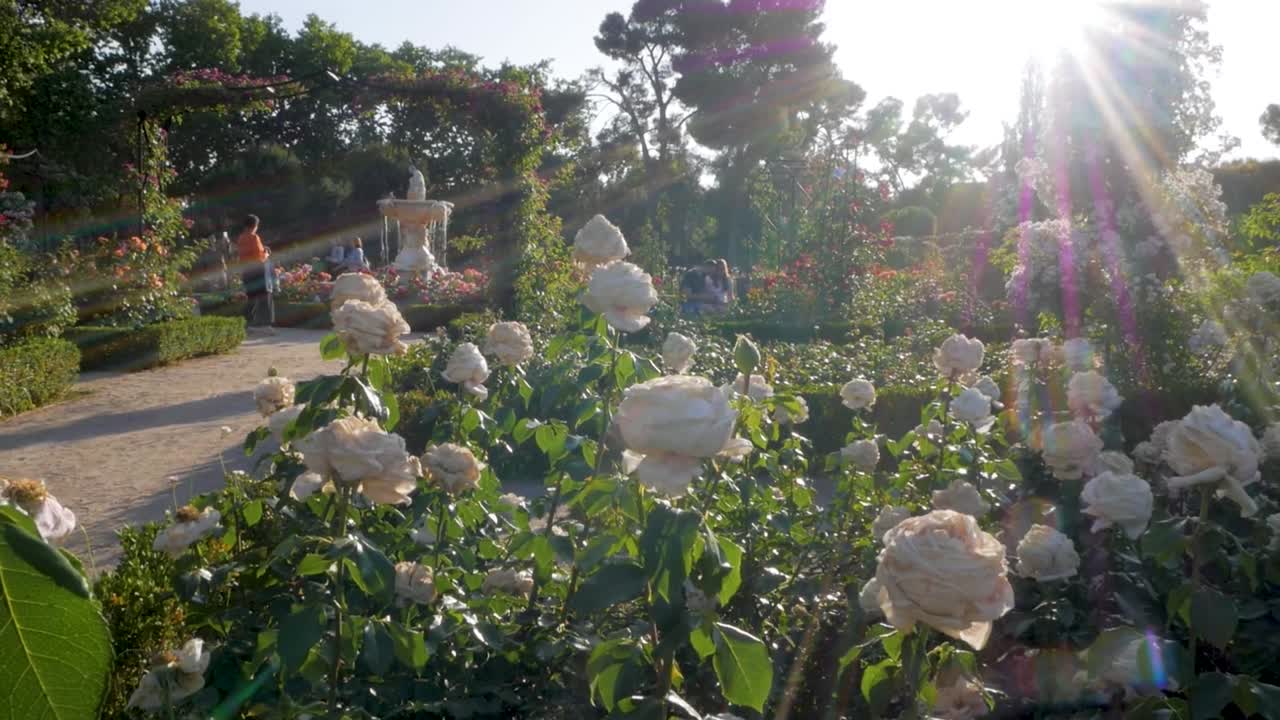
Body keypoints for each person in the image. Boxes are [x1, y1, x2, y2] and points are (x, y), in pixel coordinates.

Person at [236, 214, 275, 332]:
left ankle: (245, 323)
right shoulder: (254, 237)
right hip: (258, 271)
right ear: (255, 226)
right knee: (265, 296)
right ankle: (266, 325)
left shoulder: (241, 238)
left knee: (252, 298)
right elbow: (260, 256)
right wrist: (267, 253)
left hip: (246, 271)